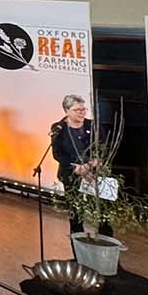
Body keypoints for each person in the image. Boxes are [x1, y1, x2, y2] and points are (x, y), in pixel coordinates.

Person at [50, 95, 111, 238]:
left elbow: (103, 149)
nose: (82, 112)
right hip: (72, 174)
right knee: (76, 212)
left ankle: (106, 242)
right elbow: (58, 154)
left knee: (103, 211)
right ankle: (78, 247)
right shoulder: (58, 128)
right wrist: (76, 168)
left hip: (95, 173)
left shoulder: (93, 126)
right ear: (66, 111)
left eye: (84, 109)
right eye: (77, 110)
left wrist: (90, 165)